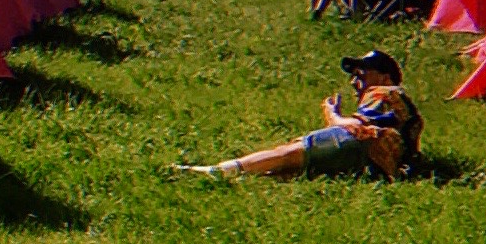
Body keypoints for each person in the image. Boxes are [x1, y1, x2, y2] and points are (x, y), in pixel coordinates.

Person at [178, 49, 424, 180]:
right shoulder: (405, 110)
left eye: (362, 74)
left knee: (286, 155)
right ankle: (231, 178)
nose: (354, 82)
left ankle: (219, 171)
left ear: (385, 77)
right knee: (290, 173)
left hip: (360, 147)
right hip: (376, 169)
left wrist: (331, 113)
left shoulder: (385, 92)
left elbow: (356, 128)